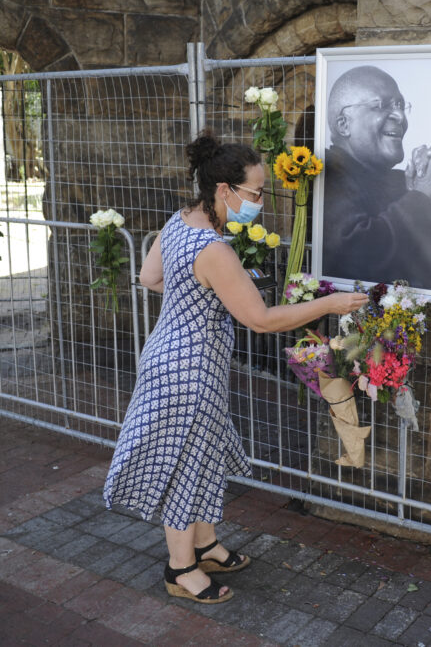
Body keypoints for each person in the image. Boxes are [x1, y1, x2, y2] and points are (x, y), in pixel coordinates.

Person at [103, 133, 367, 604]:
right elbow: (261, 320)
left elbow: (150, 278)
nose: (261, 202)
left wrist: (200, 297)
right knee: (186, 463)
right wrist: (331, 302)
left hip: (167, 358)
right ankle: (180, 568)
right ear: (224, 189)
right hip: (190, 371)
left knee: (202, 454)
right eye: (256, 193)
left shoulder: (181, 220)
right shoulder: (215, 250)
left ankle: (204, 545)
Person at [321, 65, 431, 292]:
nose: (400, 116)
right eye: (382, 106)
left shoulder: (399, 182)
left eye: (401, 105)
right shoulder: (327, 175)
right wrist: (422, 196)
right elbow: (354, 254)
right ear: (344, 124)